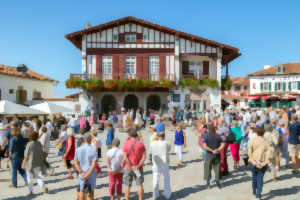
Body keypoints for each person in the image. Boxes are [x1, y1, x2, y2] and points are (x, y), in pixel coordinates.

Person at [22, 131, 48, 195]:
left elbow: (26, 156)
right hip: (38, 162)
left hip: (30, 163)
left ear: (29, 137)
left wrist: (23, 164)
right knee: (37, 176)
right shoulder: (39, 143)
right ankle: (43, 186)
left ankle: (31, 191)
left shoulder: (29, 144)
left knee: (29, 177)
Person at [122, 128, 146, 200]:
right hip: (138, 168)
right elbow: (144, 156)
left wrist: (131, 166)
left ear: (129, 135)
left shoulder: (126, 143)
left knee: (127, 185)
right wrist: (138, 165)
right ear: (136, 135)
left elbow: (125, 157)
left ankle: (127, 198)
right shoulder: (140, 143)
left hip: (128, 168)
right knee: (139, 184)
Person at [248, 127, 270, 200]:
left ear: (256, 133)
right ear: (264, 133)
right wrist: (263, 163)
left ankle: (254, 191)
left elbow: (249, 153)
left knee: (254, 177)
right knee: (260, 179)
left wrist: (254, 162)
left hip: (253, 161)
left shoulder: (252, 141)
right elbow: (268, 154)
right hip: (262, 161)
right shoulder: (266, 141)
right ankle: (258, 195)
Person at [74, 134, 98, 200]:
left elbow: (75, 162)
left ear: (84, 139)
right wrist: (88, 174)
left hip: (82, 172)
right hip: (91, 173)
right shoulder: (93, 149)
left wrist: (81, 172)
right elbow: (94, 163)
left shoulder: (78, 149)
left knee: (82, 190)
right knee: (91, 191)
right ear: (90, 140)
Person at [150, 132, 171, 200]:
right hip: (164, 163)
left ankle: (155, 195)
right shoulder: (167, 143)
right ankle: (167, 195)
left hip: (156, 163)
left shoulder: (153, 143)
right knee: (166, 179)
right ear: (164, 136)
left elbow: (150, 152)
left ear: (158, 136)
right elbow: (169, 149)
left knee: (155, 179)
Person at [202, 124, 224, 189]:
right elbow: (223, 144)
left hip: (209, 155)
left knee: (207, 169)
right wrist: (218, 149)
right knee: (217, 168)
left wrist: (212, 150)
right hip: (217, 154)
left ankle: (208, 184)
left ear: (208, 129)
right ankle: (218, 182)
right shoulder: (218, 136)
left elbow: (204, 146)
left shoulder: (206, 136)